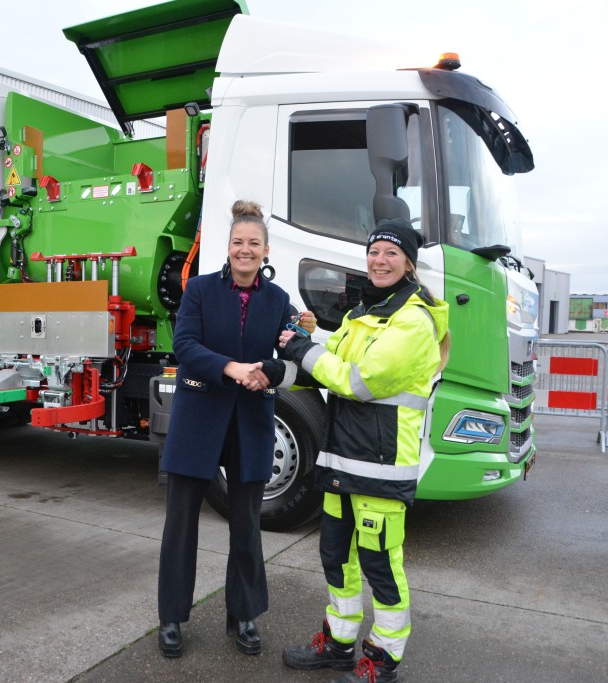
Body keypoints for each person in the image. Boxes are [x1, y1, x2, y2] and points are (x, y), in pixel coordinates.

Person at [278, 218, 450, 683]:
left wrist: (301, 349)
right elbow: (325, 362)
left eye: (391, 253)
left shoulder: (414, 319)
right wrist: (275, 370)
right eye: (374, 252)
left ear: (409, 263)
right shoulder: (362, 313)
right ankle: (338, 643)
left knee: (380, 565)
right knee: (336, 557)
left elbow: (357, 381)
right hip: (341, 459)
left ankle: (383, 659)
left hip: (382, 465)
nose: (379, 260)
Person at [156, 200, 310, 658]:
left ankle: (243, 614)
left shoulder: (279, 300)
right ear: (227, 247)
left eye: (254, 243)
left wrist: (269, 369)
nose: (246, 250)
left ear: (266, 250)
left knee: (246, 523)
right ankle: (171, 617)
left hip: (252, 420)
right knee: (181, 521)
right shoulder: (200, 290)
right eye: (238, 242)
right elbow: (185, 345)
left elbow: (293, 353)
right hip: (198, 417)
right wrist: (232, 368)